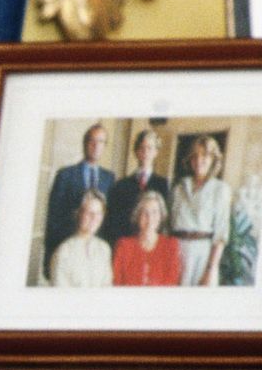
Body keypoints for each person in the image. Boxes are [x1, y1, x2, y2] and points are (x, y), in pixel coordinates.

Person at [43, 123, 114, 277]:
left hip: (95, 255)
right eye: (92, 141)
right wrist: (49, 258)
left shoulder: (110, 178)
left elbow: (109, 221)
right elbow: (53, 218)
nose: (96, 146)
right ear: (85, 143)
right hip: (68, 252)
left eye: (101, 142)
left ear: (104, 146)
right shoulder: (65, 175)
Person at [169, 135, 232, 286]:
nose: (198, 160)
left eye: (204, 155)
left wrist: (210, 269)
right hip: (176, 252)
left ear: (213, 160)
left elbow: (221, 235)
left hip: (203, 255)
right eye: (194, 156)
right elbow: (169, 225)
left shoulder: (220, 189)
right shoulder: (179, 188)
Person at [102, 128, 171, 245]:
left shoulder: (163, 184)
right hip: (128, 243)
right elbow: (113, 220)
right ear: (136, 151)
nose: (145, 152)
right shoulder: (121, 185)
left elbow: (164, 220)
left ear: (156, 152)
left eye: (150, 148)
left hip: (152, 243)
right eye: (142, 148)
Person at [111, 190, 182, 287]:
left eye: (154, 212)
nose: (149, 218)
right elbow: (117, 283)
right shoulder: (124, 245)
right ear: (137, 216)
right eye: (144, 212)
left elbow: (171, 283)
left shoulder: (171, 246)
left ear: (161, 216)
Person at [49, 188, 113, 287]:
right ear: (78, 214)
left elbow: (107, 287)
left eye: (99, 213)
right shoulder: (64, 251)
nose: (94, 218)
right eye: (89, 213)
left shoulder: (104, 248)